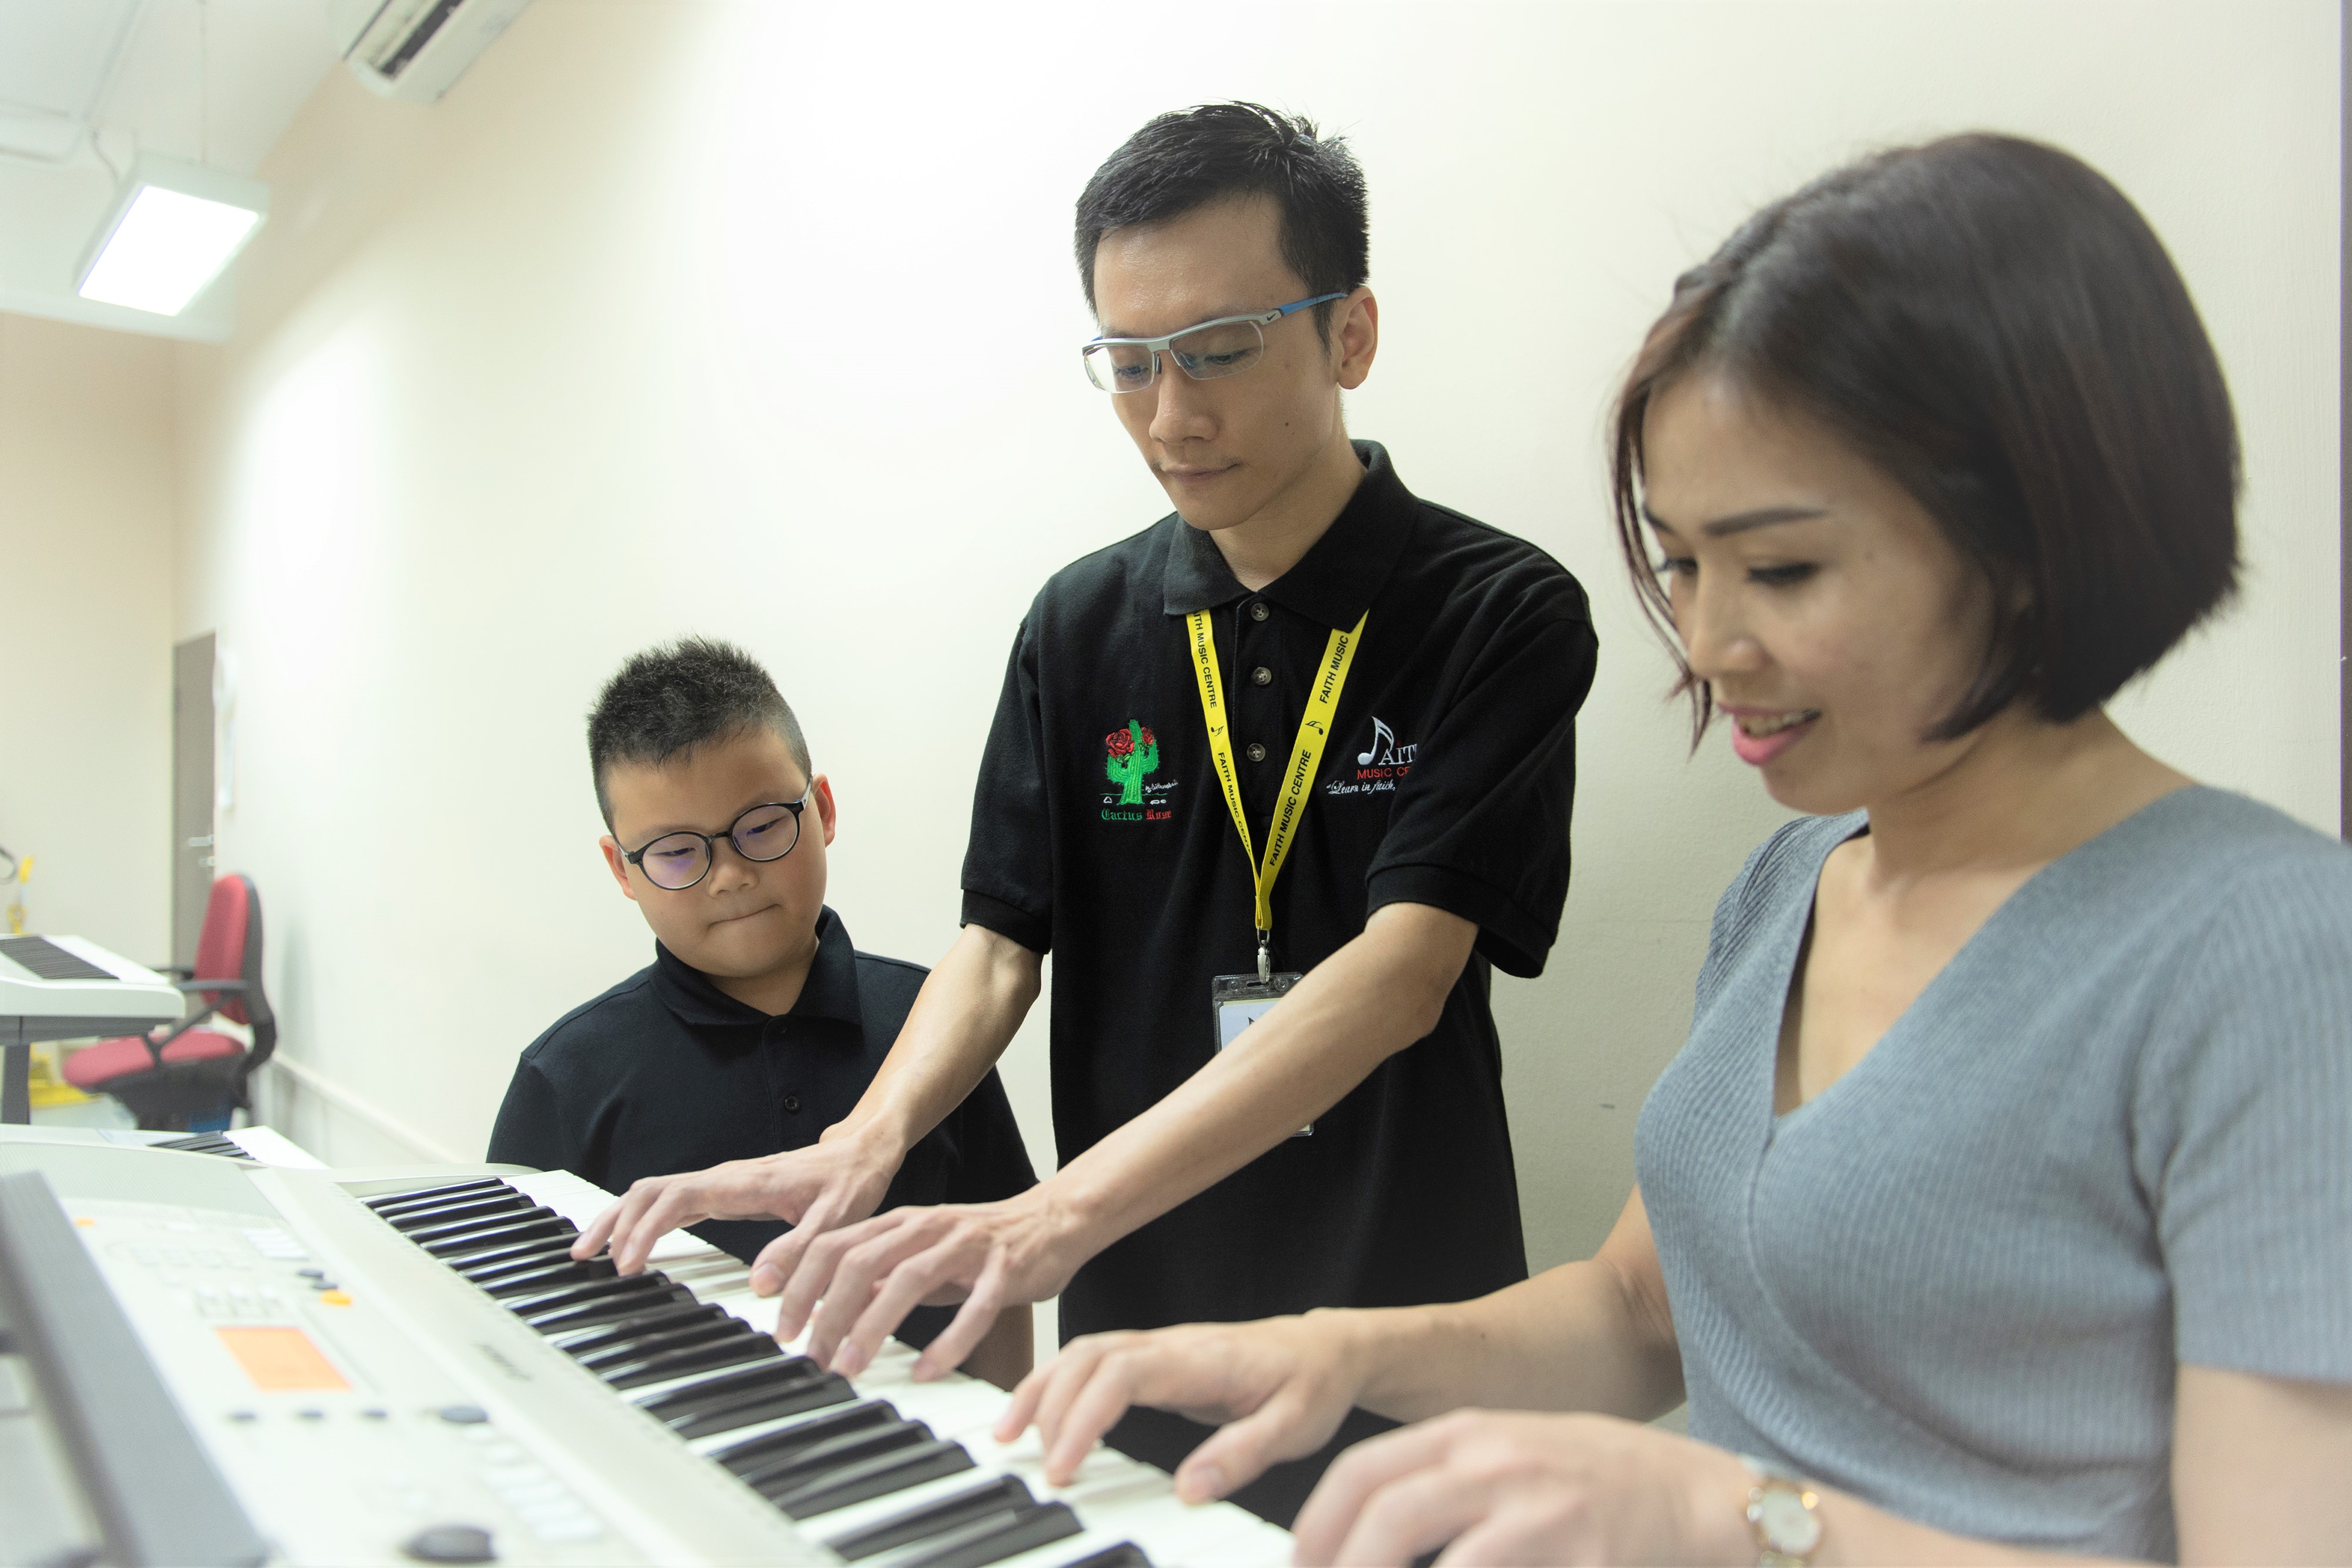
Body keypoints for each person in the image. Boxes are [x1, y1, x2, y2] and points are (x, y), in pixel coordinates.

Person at [989, 133, 2352, 1565]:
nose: (1705, 649)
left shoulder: (2267, 951)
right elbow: (1640, 1312)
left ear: (2030, 540)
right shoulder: (1792, 884)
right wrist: (1336, 1354)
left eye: (1779, 570)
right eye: (1681, 563)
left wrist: (1733, 1516)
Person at [572, 105, 1598, 1522]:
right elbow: (1000, 943)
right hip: (1134, 1316)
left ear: (1349, 334)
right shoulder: (1080, 624)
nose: (1171, 416)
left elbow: (1401, 975)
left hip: (1395, 1305)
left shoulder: (1497, 609)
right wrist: (858, 1143)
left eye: (1220, 351)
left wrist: (1048, 1215)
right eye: (1127, 364)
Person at [488, 637, 1037, 1389]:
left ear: (824, 810)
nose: (732, 877)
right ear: (622, 869)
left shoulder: (933, 1026)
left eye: (761, 825)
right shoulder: (566, 1076)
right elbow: (514, 1324)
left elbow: (997, 1272)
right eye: (677, 852)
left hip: (925, 1454)